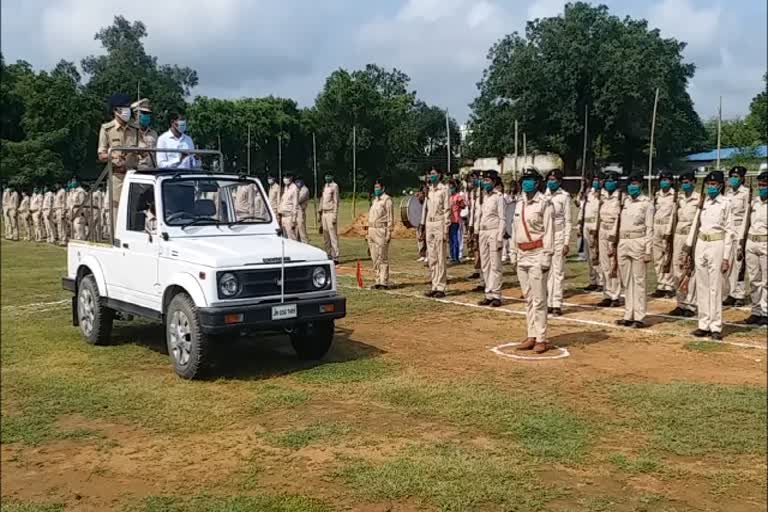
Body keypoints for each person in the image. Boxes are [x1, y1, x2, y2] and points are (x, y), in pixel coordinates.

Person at [684, 170, 735, 341]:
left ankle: (715, 326)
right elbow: (695, 226)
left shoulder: (726, 203)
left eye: (713, 184)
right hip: (701, 243)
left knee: (715, 287)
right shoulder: (703, 202)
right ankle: (703, 324)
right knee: (702, 286)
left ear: (720, 186)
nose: (710, 187)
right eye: (708, 184)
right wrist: (688, 248)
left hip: (717, 244)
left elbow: (729, 231)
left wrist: (726, 257)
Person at [513, 168, 554, 354]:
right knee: (528, 297)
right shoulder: (519, 202)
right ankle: (531, 335)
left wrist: (547, 257)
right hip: (522, 253)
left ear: (537, 183)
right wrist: (513, 253)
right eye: (524, 179)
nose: (526, 182)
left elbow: (550, 232)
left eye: (530, 179)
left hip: (538, 252)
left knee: (539, 299)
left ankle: (541, 338)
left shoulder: (545, 203)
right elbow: (514, 230)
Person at [614, 173, 653, 328]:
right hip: (624, 241)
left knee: (639, 280)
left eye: (635, 184)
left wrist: (648, 249)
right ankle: (628, 314)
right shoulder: (625, 202)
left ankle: (639, 316)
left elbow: (650, 227)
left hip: (639, 241)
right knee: (626, 280)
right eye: (630, 184)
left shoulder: (646, 203)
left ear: (641, 186)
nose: (632, 187)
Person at [98, 93, 140, 226]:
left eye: (128, 107)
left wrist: (141, 152)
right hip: (116, 176)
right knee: (115, 212)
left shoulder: (135, 129)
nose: (127, 111)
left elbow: (141, 151)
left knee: (133, 211)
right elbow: (101, 155)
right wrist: (114, 156)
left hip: (133, 175)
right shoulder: (107, 129)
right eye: (124, 108)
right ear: (116, 111)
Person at [669, 171, 700, 318]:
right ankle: (680, 302)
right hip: (678, 235)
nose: (684, 184)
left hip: (691, 235)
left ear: (694, 182)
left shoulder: (699, 198)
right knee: (677, 268)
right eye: (683, 182)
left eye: (687, 182)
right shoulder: (679, 198)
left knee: (690, 269)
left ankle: (691, 304)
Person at [544, 169, 572, 316]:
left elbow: (568, 221)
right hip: (546, 235)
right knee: (547, 271)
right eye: (549, 179)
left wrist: (567, 242)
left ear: (560, 181)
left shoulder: (564, 196)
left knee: (558, 270)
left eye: (554, 179)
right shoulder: (544, 195)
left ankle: (557, 303)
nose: (551, 181)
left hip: (559, 234)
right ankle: (548, 301)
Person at [420, 168, 450, 298]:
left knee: (440, 256)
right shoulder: (429, 190)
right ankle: (434, 284)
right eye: (430, 174)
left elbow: (447, 210)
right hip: (429, 223)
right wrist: (423, 225)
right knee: (432, 257)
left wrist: (445, 229)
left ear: (439, 175)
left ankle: (441, 287)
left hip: (439, 222)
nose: (431, 176)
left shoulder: (444, 189)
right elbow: (425, 209)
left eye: (433, 174)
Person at [743, 170, 768, 326]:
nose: (761, 187)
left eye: (764, 185)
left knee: (766, 280)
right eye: (760, 184)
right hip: (751, 242)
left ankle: (765, 311)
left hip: (765, 242)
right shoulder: (754, 202)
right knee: (753, 279)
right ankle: (756, 310)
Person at [477, 171, 505, 307]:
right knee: (485, 264)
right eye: (484, 180)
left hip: (494, 232)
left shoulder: (498, 197)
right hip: (483, 231)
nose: (485, 183)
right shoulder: (483, 196)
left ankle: (496, 294)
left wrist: (500, 237)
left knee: (495, 265)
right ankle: (488, 293)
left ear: (494, 182)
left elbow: (502, 218)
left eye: (488, 180)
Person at [723, 166, 750, 306]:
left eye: (736, 177)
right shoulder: (727, 194)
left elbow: (746, 215)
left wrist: (743, 235)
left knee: (739, 264)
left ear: (742, 178)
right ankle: (730, 293)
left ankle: (739, 294)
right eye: (732, 176)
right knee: (728, 263)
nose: (733, 179)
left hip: (739, 230)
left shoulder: (746, 193)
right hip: (728, 231)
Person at [597, 171, 622, 307]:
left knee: (613, 264)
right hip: (602, 229)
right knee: (604, 264)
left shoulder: (620, 197)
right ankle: (606, 293)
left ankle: (615, 295)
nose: (608, 183)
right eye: (607, 181)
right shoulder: (603, 196)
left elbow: (619, 218)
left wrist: (615, 234)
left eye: (611, 180)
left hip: (613, 231)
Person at [651, 169, 677, 298]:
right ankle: (661, 284)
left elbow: (673, 214)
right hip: (657, 226)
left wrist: (669, 230)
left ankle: (669, 284)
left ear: (671, 181)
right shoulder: (657, 195)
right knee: (657, 258)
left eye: (666, 180)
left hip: (667, 226)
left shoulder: (675, 195)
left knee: (668, 257)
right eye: (662, 180)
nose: (664, 182)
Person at [577, 172, 604, 292]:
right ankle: (593, 279)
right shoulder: (589, 194)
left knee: (597, 255)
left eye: (598, 179)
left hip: (596, 225)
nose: (596, 182)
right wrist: (582, 188)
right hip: (586, 225)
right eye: (595, 179)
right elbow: (578, 204)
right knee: (588, 254)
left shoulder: (603, 195)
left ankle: (601, 281)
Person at [367, 178, 394, 289]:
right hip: (372, 230)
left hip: (381, 230)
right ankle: (377, 280)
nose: (376, 189)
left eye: (378, 187)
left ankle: (383, 281)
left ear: (383, 188)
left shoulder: (387, 200)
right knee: (374, 257)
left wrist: (389, 232)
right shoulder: (375, 200)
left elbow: (390, 218)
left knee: (382, 257)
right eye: (375, 187)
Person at [131, 98, 158, 169]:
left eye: (148, 113)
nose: (147, 116)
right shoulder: (130, 132)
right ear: (136, 114)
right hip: (135, 170)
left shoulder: (153, 133)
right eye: (144, 113)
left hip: (151, 170)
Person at [320, 173, 340, 263]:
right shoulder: (325, 186)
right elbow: (322, 199)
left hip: (331, 212)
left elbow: (336, 201)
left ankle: (335, 256)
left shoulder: (334, 186)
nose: (327, 177)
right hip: (324, 213)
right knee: (326, 236)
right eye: (326, 175)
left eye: (329, 175)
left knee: (333, 236)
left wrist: (334, 216)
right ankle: (328, 254)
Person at [277, 173, 299, 240]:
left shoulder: (294, 189)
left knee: (291, 237)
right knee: (284, 237)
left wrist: (294, 220)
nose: (285, 179)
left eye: (287, 177)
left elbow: (295, 204)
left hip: (289, 216)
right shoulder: (286, 188)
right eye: (284, 177)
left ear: (291, 178)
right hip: (283, 216)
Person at [448, 179, 465, 264]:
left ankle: (456, 257)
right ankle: (451, 256)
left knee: (455, 239)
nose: (450, 189)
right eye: (449, 187)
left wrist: (459, 203)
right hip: (448, 220)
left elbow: (463, 206)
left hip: (455, 220)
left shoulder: (458, 196)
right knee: (450, 239)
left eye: (452, 187)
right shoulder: (448, 197)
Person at [296, 177, 310, 243]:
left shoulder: (305, 190)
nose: (297, 183)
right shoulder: (297, 189)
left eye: (299, 181)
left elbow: (298, 199)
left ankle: (306, 244)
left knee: (302, 231)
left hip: (301, 211)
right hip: (295, 211)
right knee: (296, 231)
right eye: (296, 181)